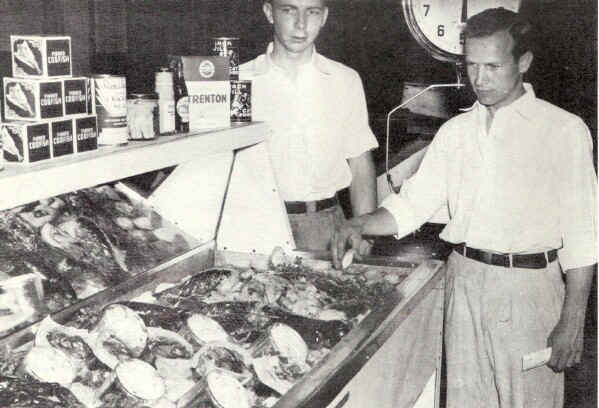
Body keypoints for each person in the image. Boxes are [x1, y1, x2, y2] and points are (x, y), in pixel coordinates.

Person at [331, 8, 597, 408]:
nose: (480, 79)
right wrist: (360, 223)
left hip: (528, 293)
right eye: (472, 65)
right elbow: (412, 206)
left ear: (523, 63)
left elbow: (582, 235)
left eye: (493, 66)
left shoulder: (562, 130)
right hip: (464, 283)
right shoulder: (455, 133)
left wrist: (573, 319)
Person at [239, 0, 378, 252]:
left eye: (311, 12)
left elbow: (359, 163)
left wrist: (364, 231)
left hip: (326, 226)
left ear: (324, 16)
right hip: (255, 224)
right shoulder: (237, 82)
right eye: (289, 10)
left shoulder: (345, 80)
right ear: (270, 12)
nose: (300, 24)